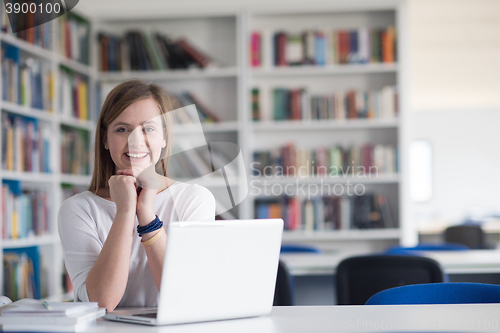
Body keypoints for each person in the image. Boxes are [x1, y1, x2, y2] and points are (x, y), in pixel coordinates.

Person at [58, 80, 216, 311]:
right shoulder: (78, 210)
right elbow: (102, 302)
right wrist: (124, 211)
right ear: (104, 139)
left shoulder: (194, 199)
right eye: (122, 129)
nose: (136, 140)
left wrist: (146, 213)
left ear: (163, 137)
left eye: (148, 129)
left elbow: (184, 293)